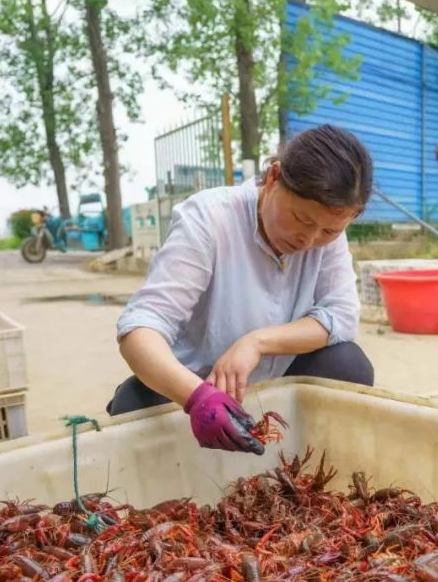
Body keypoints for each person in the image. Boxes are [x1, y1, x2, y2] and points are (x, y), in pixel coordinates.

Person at [108, 124, 375, 454]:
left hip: (277, 376)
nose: (309, 240)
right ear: (274, 177)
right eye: (301, 219)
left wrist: (257, 343)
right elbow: (141, 327)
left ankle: (301, 462)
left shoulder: (325, 232)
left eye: (329, 231)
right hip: (200, 384)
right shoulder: (209, 218)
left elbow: (341, 315)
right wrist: (197, 397)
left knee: (347, 364)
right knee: (133, 406)